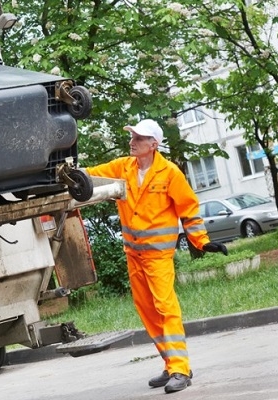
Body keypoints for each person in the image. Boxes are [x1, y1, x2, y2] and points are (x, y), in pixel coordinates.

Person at [85, 119, 228, 393]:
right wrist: (65, 173)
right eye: (132, 137)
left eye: (139, 138)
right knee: (148, 311)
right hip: (134, 255)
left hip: (158, 257)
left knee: (166, 308)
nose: (132, 141)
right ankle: (171, 363)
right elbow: (89, 175)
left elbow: (188, 209)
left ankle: (180, 370)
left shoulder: (170, 173)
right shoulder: (122, 168)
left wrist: (202, 241)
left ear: (154, 144)